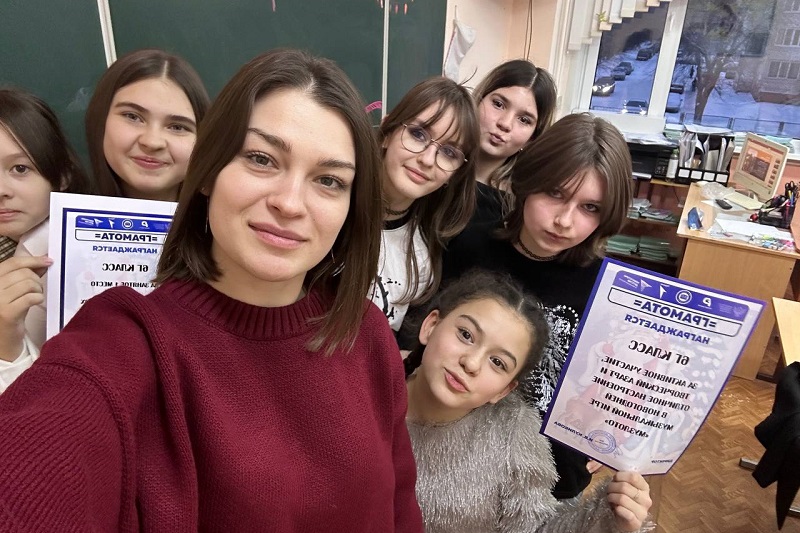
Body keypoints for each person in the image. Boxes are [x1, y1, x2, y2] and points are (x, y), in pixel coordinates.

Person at [0, 49, 423, 532]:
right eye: (261, 159)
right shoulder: (124, 345)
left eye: (328, 181)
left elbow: (400, 503)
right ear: (207, 172)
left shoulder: (365, 333)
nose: (289, 203)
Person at [441, 112, 634, 500]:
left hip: (546, 483)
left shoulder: (610, 290)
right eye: (555, 193)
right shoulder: (465, 246)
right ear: (529, 181)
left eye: (590, 208)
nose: (564, 220)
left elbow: (611, 389)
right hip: (451, 463)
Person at [405, 269, 652, 533]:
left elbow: (536, 528)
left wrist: (611, 519)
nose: (472, 363)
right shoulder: (373, 390)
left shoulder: (513, 435)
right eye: (466, 335)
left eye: (498, 362)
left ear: (504, 390)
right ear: (431, 326)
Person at [0, 87, 92, 391]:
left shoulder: (87, 254)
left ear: (62, 175)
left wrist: (8, 346)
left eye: (20, 168)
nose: (1, 190)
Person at [370, 77, 479, 333]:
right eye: (418, 134)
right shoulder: (333, 208)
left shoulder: (422, 255)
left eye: (449, 153)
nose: (428, 160)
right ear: (387, 133)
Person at [85, 48, 210, 201]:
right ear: (101, 120)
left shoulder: (224, 216)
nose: (152, 142)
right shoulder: (61, 213)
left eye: (177, 127)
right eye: (133, 117)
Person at [471, 59, 557, 224]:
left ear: (532, 137)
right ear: (479, 100)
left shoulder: (521, 207)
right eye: (498, 104)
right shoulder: (433, 164)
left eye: (524, 120)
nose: (505, 124)